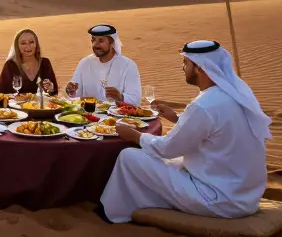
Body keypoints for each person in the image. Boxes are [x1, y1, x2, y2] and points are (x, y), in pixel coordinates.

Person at [100, 40, 270, 223]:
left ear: (200, 68)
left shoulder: (204, 105)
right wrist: (177, 118)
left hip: (217, 198)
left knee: (129, 157)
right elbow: (217, 128)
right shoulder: (236, 95)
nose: (182, 67)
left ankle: (112, 214)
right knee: (165, 160)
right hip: (246, 196)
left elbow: (167, 148)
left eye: (186, 62)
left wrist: (136, 136)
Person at [65, 24, 141, 105]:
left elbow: (135, 100)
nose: (95, 45)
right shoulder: (85, 63)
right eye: (93, 40)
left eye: (101, 41)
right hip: (88, 114)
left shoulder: (128, 65)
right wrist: (71, 91)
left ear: (112, 43)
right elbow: (75, 95)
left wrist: (120, 97)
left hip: (116, 115)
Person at [0, 28, 58, 95]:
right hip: (16, 105)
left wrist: (51, 89)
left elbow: (54, 92)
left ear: (36, 44)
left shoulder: (45, 63)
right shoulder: (10, 65)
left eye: (31, 42)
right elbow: (1, 93)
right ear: (17, 46)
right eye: (23, 43)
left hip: (41, 105)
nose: (28, 46)